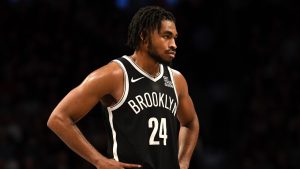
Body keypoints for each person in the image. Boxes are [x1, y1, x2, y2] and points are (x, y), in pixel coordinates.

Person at [47, 5, 199, 169]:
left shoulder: (176, 80)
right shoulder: (114, 75)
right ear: (144, 36)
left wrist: (183, 162)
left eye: (175, 38)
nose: (174, 44)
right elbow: (58, 118)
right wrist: (99, 161)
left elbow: (190, 122)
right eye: (166, 36)